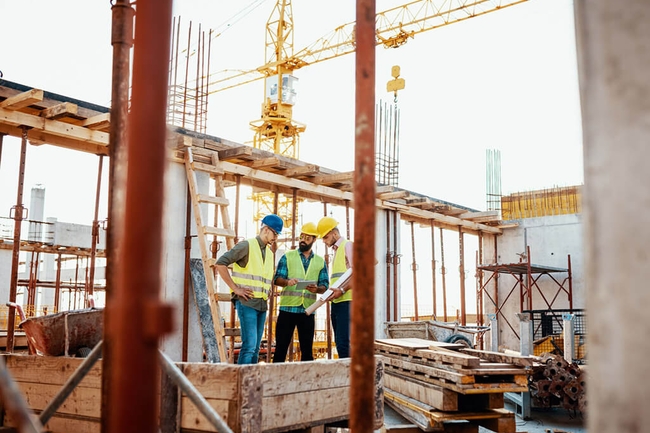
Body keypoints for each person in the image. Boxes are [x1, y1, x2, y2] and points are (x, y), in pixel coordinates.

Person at [216, 214, 284, 364]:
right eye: (275, 233)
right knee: (249, 346)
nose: (276, 238)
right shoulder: (246, 245)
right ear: (266, 229)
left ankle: (250, 384)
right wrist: (235, 289)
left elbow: (263, 276)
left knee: (255, 348)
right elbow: (220, 264)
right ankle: (240, 384)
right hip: (247, 303)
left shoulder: (270, 253)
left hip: (261, 304)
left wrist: (269, 289)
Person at [273, 222, 329, 362]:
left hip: (307, 311)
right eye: (301, 237)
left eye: (307, 238)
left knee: (307, 351)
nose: (303, 240)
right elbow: (277, 279)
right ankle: (275, 381)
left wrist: (317, 289)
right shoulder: (288, 256)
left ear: (314, 240)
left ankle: (306, 382)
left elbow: (325, 286)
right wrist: (287, 282)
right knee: (281, 349)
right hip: (288, 309)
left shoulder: (320, 261)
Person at [316, 216, 353, 359]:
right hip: (337, 301)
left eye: (325, 237)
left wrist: (342, 290)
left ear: (334, 233)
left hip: (348, 301)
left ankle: (350, 377)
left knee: (344, 343)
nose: (324, 241)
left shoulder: (348, 246)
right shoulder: (337, 250)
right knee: (340, 342)